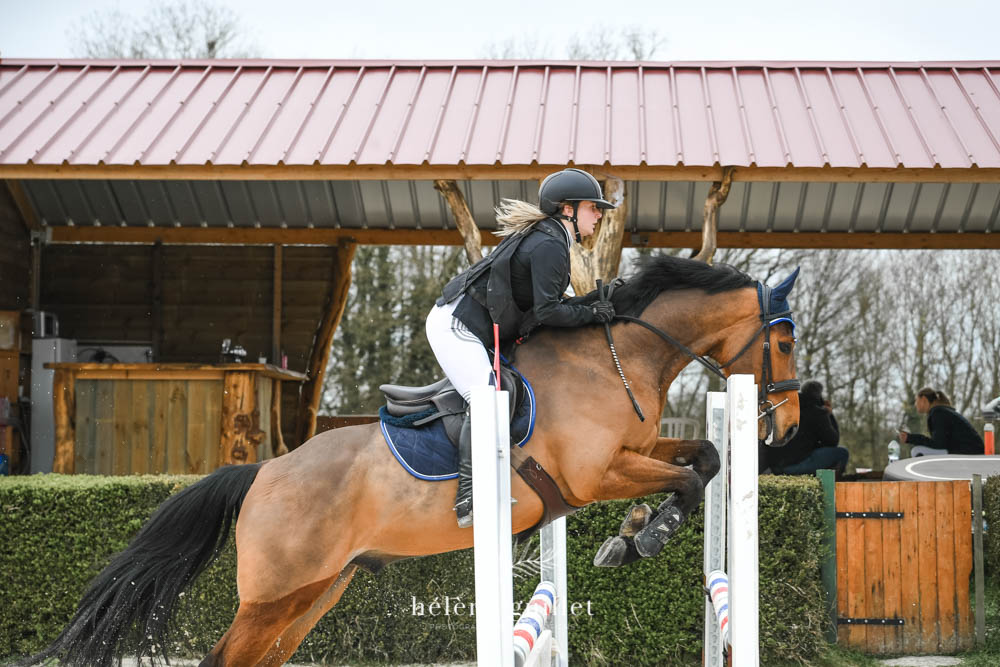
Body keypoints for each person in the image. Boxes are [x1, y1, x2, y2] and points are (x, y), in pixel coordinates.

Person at [426, 168, 617, 528]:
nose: (600, 214)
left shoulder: (553, 238)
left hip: (472, 324)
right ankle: (469, 494)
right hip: (455, 326)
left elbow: (559, 303)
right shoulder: (549, 243)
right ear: (568, 209)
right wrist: (592, 312)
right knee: (488, 396)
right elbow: (548, 312)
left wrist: (594, 305)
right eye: (593, 207)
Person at [765, 380, 849, 475]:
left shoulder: (787, 408)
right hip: (794, 466)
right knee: (842, 453)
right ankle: (827, 485)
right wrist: (829, 414)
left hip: (775, 465)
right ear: (819, 395)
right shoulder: (817, 413)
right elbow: (833, 441)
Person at [899, 387, 984, 456]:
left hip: (970, 454)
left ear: (923, 399)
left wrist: (911, 438)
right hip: (971, 451)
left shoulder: (938, 413)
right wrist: (910, 438)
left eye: (916, 400)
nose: (915, 404)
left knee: (917, 451)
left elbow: (938, 445)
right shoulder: (942, 412)